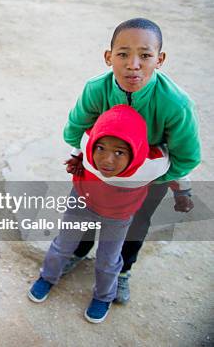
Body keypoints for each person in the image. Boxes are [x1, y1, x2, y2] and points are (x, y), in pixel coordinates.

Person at [62, 18, 200, 303]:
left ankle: (123, 269)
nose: (133, 64)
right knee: (88, 211)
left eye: (145, 55)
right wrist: (92, 161)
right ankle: (78, 252)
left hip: (148, 177)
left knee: (137, 221)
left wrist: (148, 177)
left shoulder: (176, 103)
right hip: (100, 171)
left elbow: (187, 156)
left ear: (159, 60)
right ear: (108, 57)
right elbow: (74, 129)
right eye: (123, 54)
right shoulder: (96, 88)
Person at [29, 105, 175, 323]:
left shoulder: (151, 164)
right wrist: (76, 156)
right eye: (101, 148)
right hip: (81, 201)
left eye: (119, 152)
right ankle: (47, 277)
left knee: (108, 259)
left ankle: (103, 296)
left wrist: (184, 192)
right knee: (62, 245)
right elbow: (83, 141)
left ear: (136, 151)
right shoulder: (88, 141)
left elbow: (179, 164)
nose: (107, 160)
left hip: (118, 217)